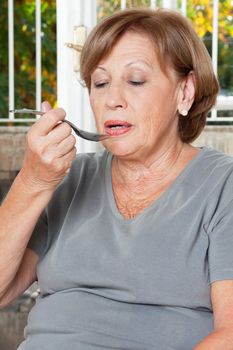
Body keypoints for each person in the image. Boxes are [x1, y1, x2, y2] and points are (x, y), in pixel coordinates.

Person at [0, 7, 233, 350]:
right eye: (100, 82)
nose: (112, 100)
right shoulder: (70, 179)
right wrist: (33, 183)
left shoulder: (222, 186)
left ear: (185, 92)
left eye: (136, 81)